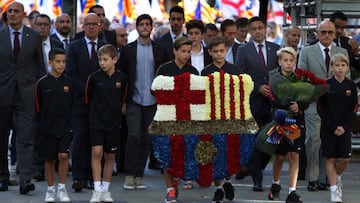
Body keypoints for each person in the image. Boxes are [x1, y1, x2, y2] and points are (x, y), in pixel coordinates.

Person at [118, 14, 170, 190]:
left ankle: (139, 175)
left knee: (146, 138)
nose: (145, 27)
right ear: (137, 27)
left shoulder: (160, 49)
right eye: (142, 24)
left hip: (153, 100)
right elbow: (122, 76)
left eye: (148, 24)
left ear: (151, 27)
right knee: (133, 136)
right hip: (133, 99)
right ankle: (129, 175)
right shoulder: (128, 49)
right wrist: (122, 100)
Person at [0, 2, 46, 194]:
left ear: (23, 14)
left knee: (26, 138)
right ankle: (2, 177)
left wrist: (40, 93)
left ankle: (25, 179)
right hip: (2, 94)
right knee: (2, 138)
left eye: (15, 11)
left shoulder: (33, 36)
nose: (12, 14)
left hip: (26, 96)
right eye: (9, 11)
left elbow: (40, 67)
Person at [298, 19, 348, 192]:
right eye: (323, 32)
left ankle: (325, 178)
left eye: (330, 32)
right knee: (314, 140)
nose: (327, 35)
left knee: (330, 143)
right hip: (314, 103)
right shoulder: (306, 51)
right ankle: (312, 178)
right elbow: (301, 77)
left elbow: (344, 77)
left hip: (335, 108)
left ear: (335, 34)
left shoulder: (342, 51)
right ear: (317, 34)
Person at [235, 16, 280, 192]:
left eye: (260, 28)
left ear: (265, 29)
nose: (258, 31)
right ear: (249, 31)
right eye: (253, 29)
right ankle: (257, 179)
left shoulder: (275, 48)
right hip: (253, 103)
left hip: (273, 103)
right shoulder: (243, 50)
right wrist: (256, 87)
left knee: (273, 139)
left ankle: (255, 167)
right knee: (254, 141)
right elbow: (240, 75)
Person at [156, 36, 198, 203]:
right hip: (167, 118)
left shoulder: (193, 71)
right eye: (183, 51)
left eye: (189, 52)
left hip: (186, 119)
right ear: (175, 51)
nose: (186, 55)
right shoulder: (164, 69)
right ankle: (170, 189)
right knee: (167, 155)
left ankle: (176, 180)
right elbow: (156, 91)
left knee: (182, 154)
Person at [66, 13, 105, 192]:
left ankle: (92, 176)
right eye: (87, 24)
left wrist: (97, 91)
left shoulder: (106, 47)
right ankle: (79, 177)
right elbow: (71, 73)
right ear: (83, 26)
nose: (91, 27)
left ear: (100, 26)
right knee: (80, 138)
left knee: (95, 139)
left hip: (100, 101)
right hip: (80, 100)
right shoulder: (74, 47)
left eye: (94, 24)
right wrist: (86, 89)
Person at [201, 36, 241, 203]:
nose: (219, 54)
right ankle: (218, 187)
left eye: (221, 51)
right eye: (215, 51)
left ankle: (228, 181)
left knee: (230, 151)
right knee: (215, 151)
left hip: (231, 116)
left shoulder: (235, 70)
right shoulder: (205, 72)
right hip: (212, 116)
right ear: (210, 52)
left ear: (226, 51)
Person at [85, 44, 127, 203]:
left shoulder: (122, 78)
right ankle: (96, 190)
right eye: (100, 59)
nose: (102, 63)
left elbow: (123, 98)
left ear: (114, 60)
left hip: (114, 122)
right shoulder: (94, 77)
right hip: (96, 120)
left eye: (105, 59)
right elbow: (88, 98)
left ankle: (105, 190)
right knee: (96, 152)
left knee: (110, 156)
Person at [317, 53, 357, 203]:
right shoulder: (326, 85)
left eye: (343, 65)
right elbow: (321, 108)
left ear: (347, 67)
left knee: (346, 158)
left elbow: (353, 108)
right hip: (329, 128)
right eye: (336, 65)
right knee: (330, 158)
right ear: (332, 67)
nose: (340, 68)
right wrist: (333, 126)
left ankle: (337, 177)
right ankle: (334, 190)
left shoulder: (351, 86)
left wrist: (344, 127)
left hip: (344, 129)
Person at [267, 47, 305, 203]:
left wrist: (300, 106)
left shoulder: (300, 79)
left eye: (291, 61)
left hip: (296, 121)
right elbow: (273, 99)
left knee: (294, 155)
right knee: (280, 156)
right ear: (279, 62)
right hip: (279, 120)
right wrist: (289, 102)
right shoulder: (273, 78)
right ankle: (275, 184)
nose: (288, 64)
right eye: (285, 61)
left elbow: (306, 97)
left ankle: (292, 191)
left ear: (295, 62)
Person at [35, 48, 72, 203]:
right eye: (58, 61)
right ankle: (50, 189)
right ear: (50, 62)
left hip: (65, 127)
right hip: (47, 128)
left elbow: (73, 105)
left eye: (64, 61)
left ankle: (62, 188)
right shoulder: (42, 83)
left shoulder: (69, 83)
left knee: (63, 156)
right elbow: (37, 107)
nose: (61, 65)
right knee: (50, 159)